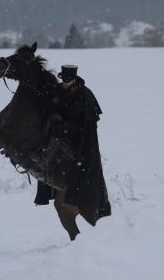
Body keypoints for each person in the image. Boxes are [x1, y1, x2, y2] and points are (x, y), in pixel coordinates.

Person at [34, 64, 111, 225]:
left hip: (81, 128)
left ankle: (46, 159)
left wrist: (59, 110)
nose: (65, 82)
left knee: (58, 129)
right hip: (65, 122)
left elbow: (74, 112)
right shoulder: (59, 88)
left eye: (68, 80)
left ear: (74, 79)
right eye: (63, 79)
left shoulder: (83, 92)